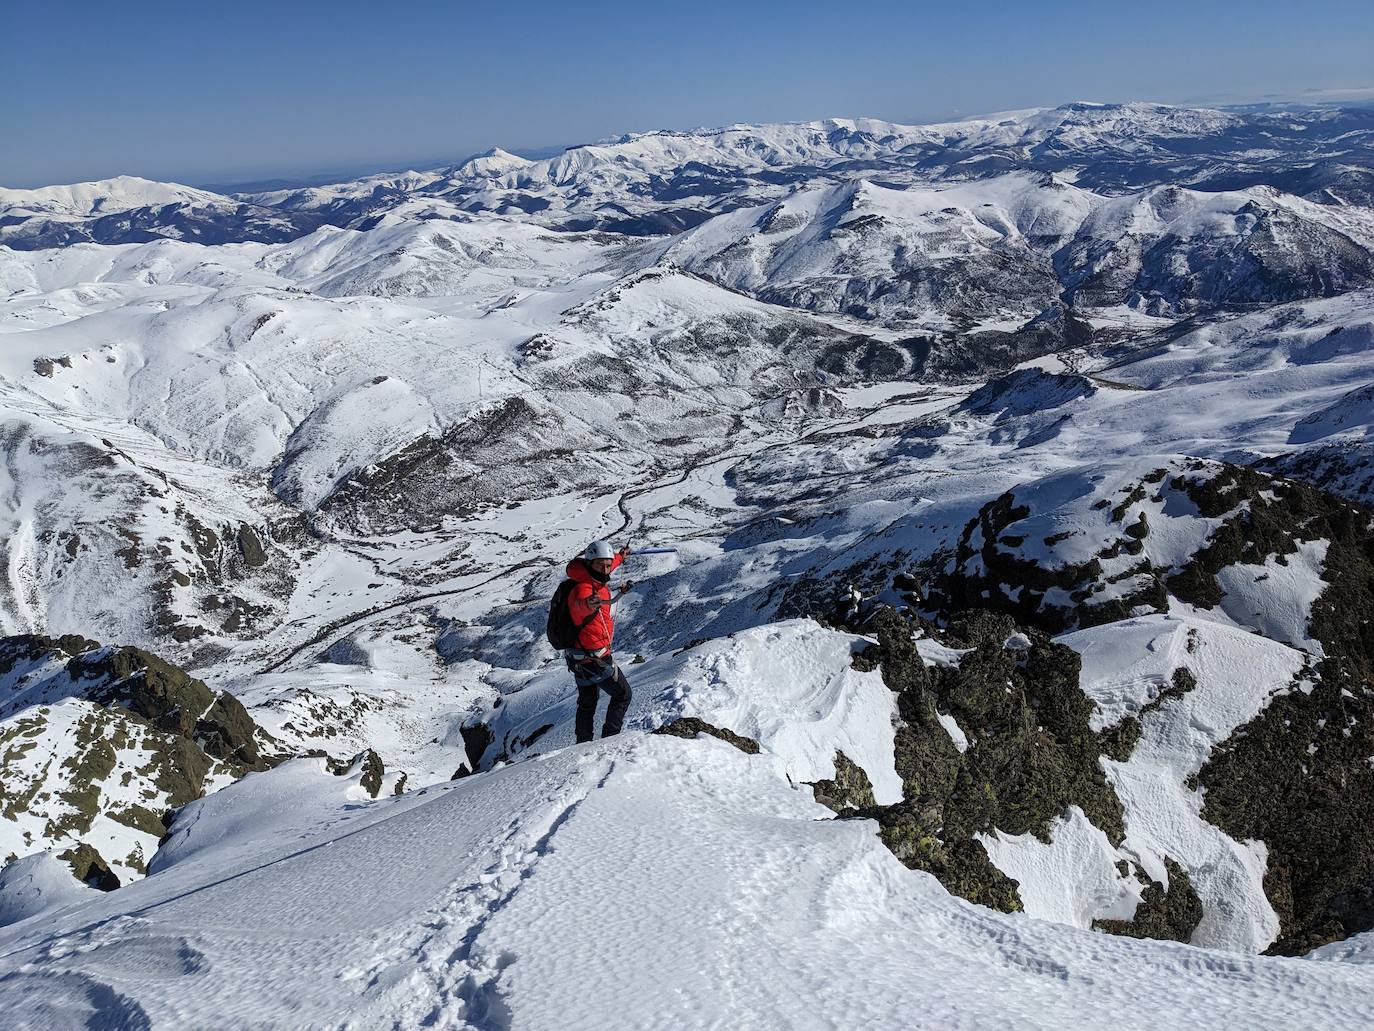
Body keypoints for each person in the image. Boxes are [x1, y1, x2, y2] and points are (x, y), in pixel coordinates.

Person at [565, 539, 633, 743]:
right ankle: (609, 740)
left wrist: (621, 556)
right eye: (600, 565)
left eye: (607, 565)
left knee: (587, 703)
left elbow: (607, 564)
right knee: (623, 695)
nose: (605, 570)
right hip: (596, 659)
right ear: (589, 563)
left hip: (578, 657)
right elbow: (578, 607)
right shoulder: (584, 589)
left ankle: (582, 743)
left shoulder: (591, 575)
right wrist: (588, 604)